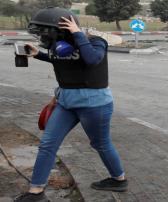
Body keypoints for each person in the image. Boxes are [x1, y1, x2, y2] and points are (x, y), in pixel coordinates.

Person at [14, 7, 127, 202]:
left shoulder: (95, 42)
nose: (42, 36)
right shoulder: (58, 45)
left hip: (94, 103)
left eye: (45, 31)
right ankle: (36, 192)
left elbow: (92, 60)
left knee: (100, 143)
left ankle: (119, 179)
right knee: (47, 144)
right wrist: (38, 54)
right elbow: (62, 60)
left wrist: (77, 33)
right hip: (66, 102)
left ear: (65, 28)